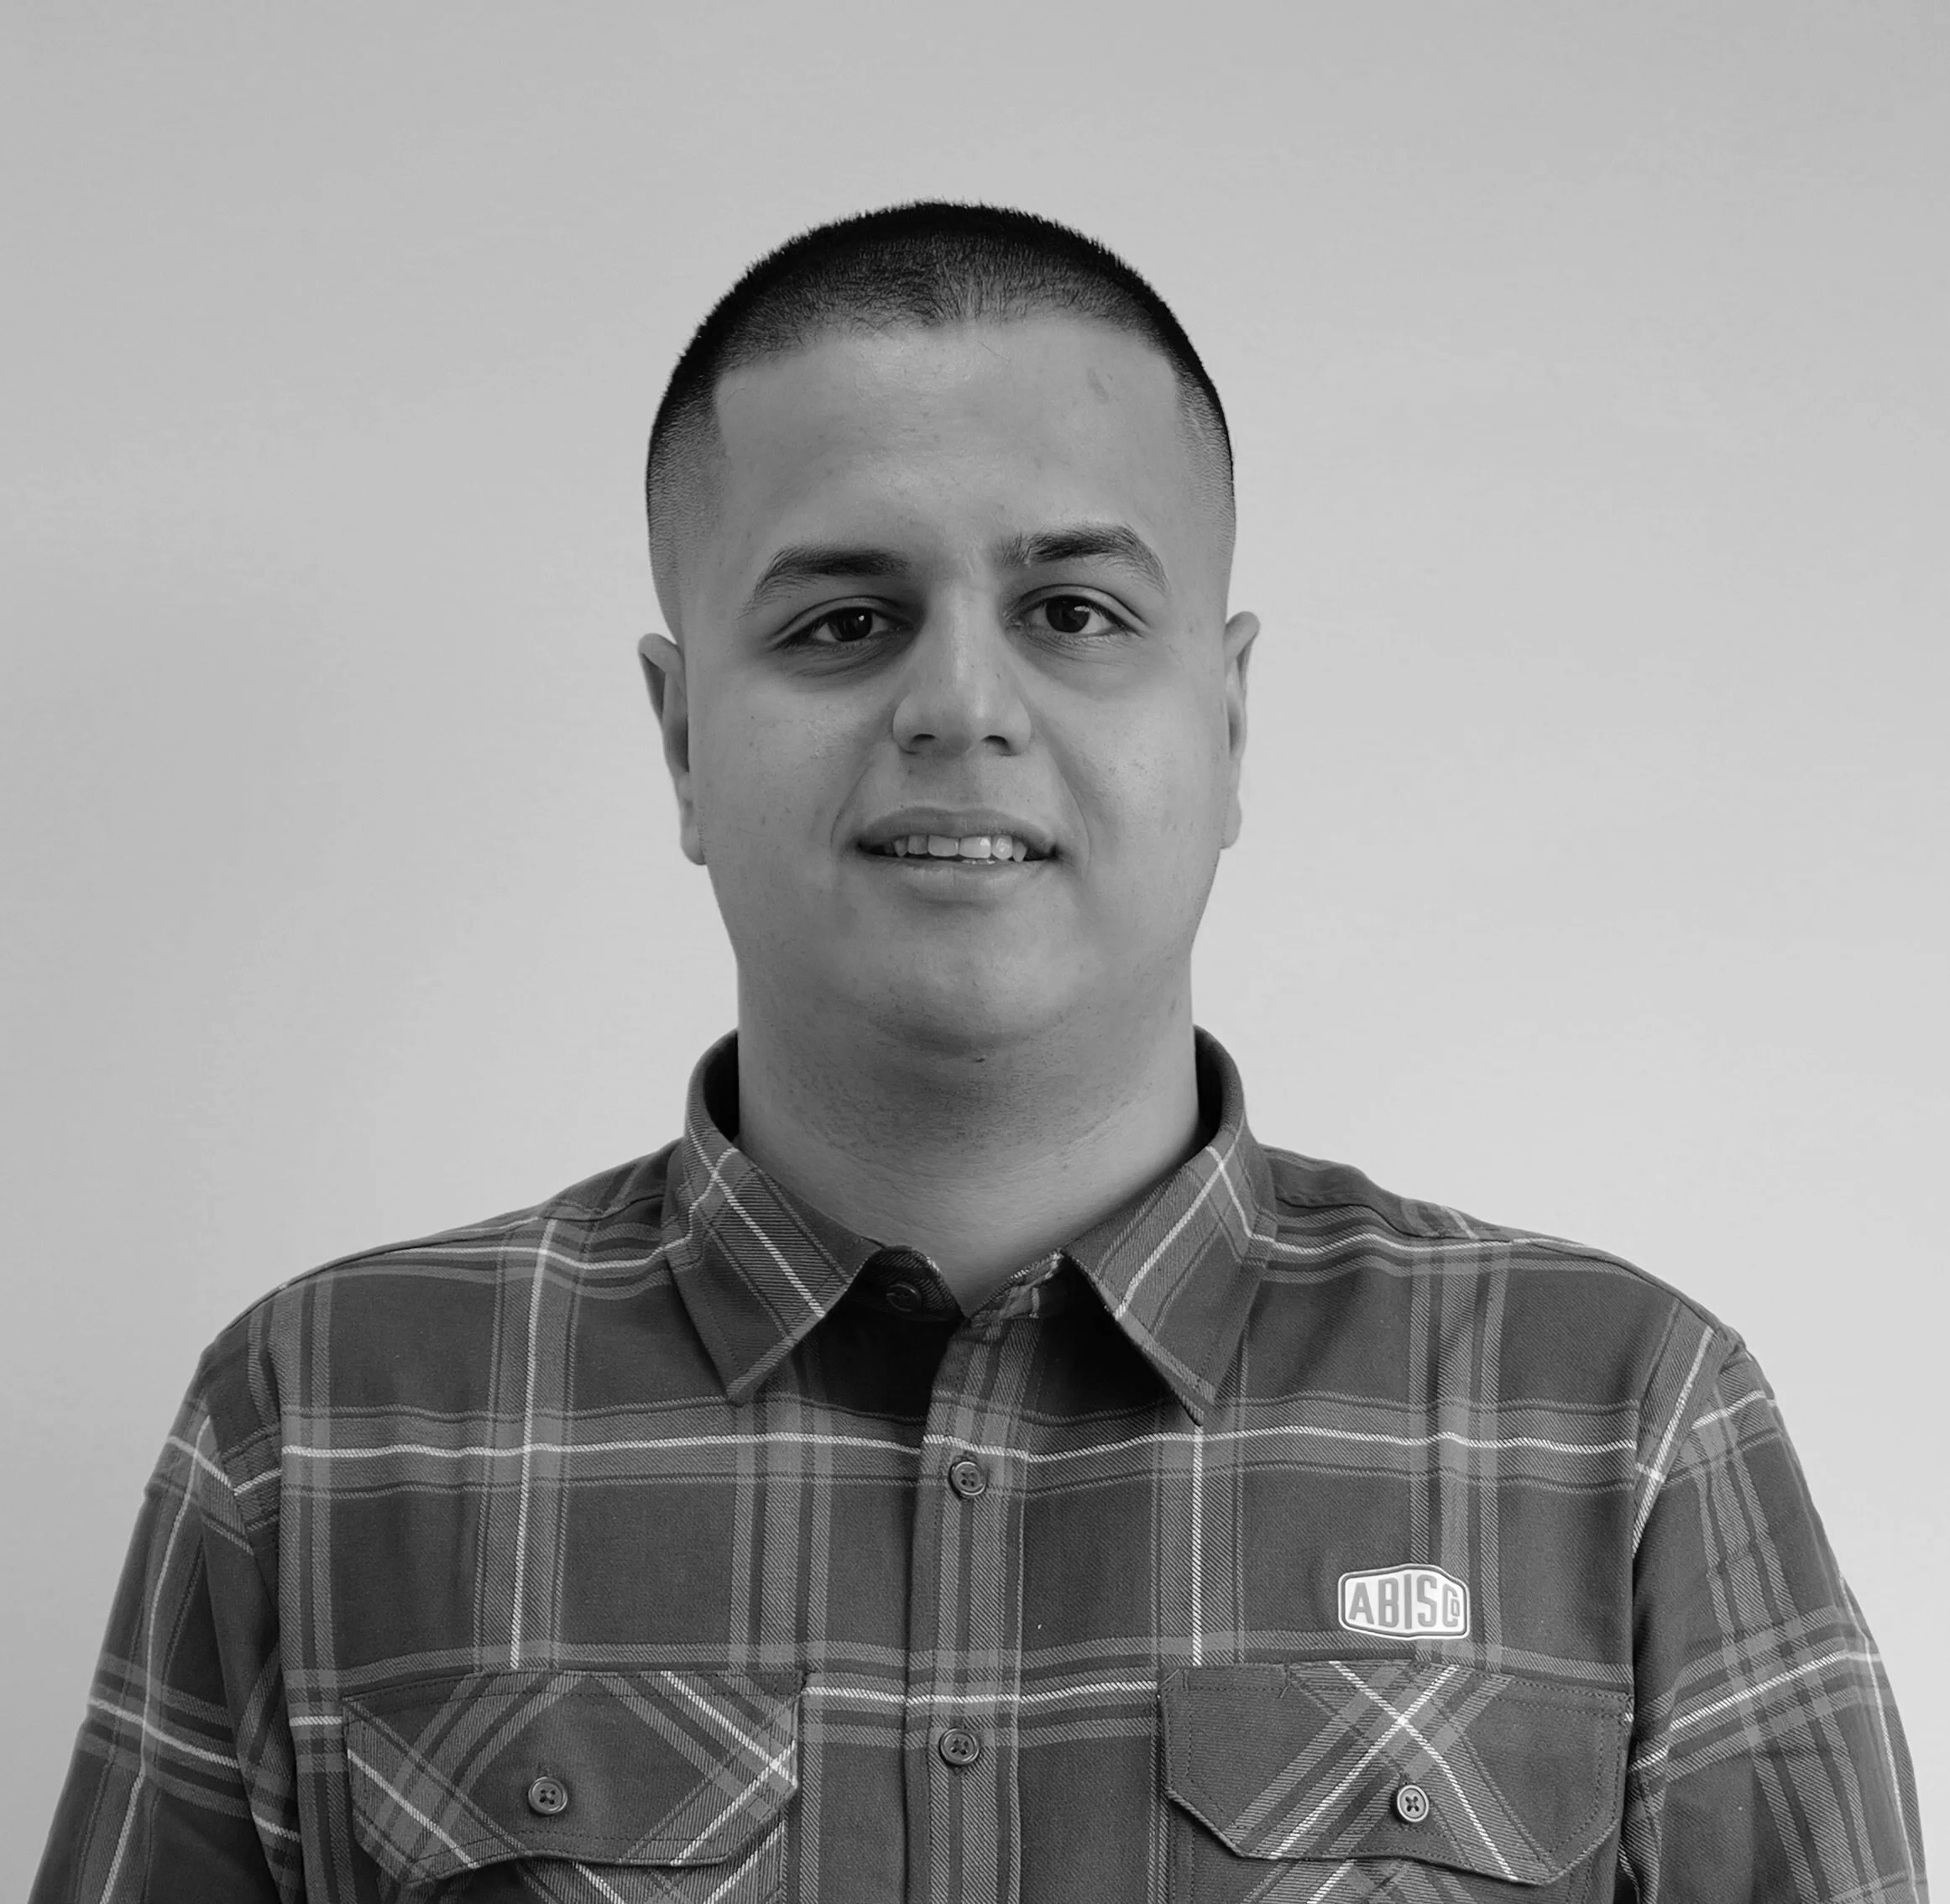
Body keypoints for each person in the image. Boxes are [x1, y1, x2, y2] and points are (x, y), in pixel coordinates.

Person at [33, 201, 1926, 1904]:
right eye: (844, 621)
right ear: (682, 739)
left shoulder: (1619, 1429)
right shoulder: (325, 1430)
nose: (958, 702)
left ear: (1229, 719)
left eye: (1072, 612)